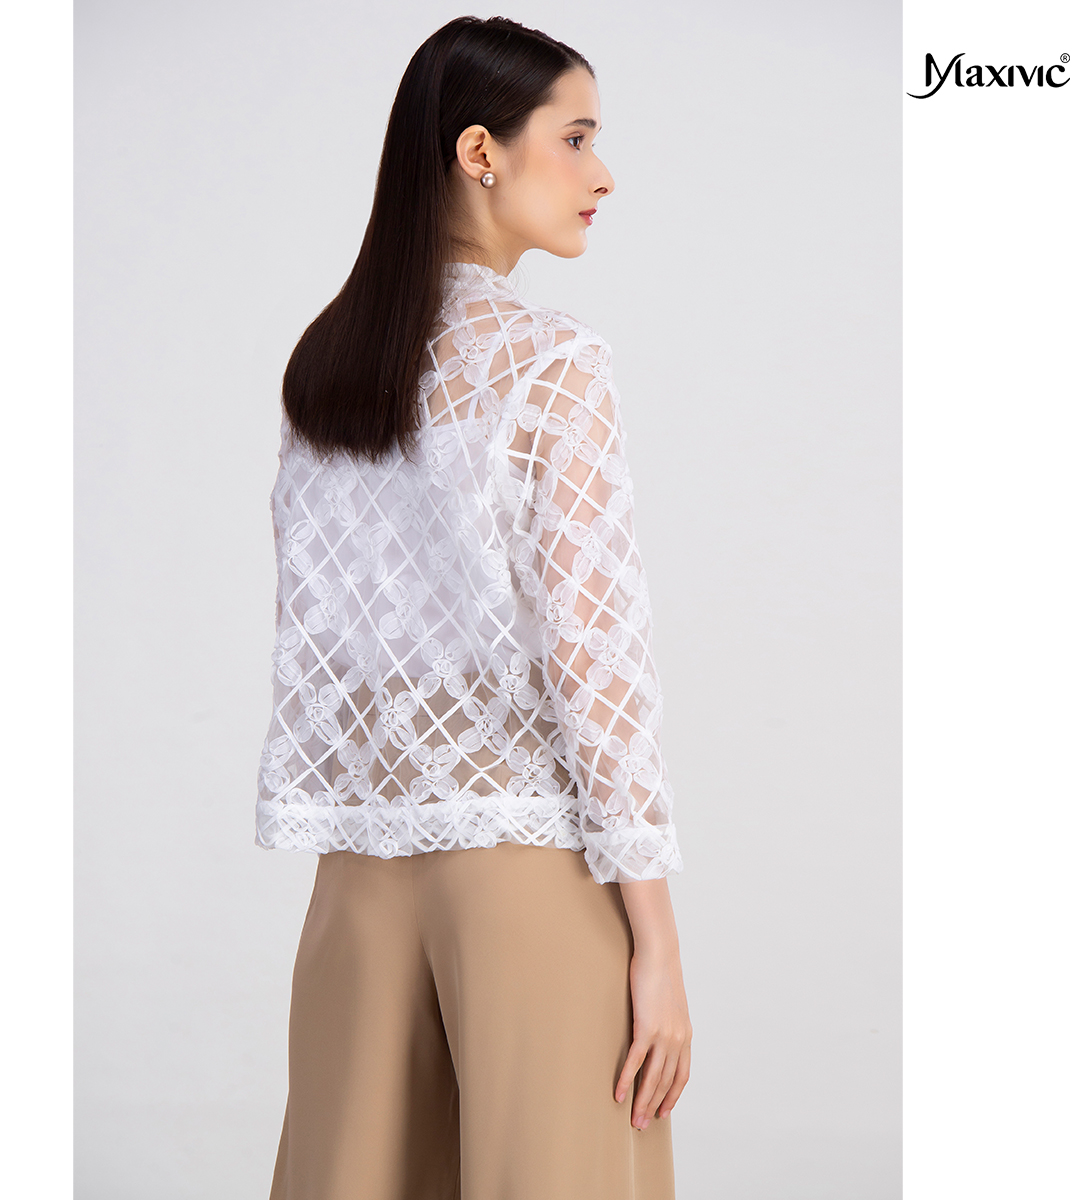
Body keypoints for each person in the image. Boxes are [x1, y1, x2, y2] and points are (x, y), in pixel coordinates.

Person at [255, 16, 692, 1199]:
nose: (604, 173)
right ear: (481, 152)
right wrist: (655, 942)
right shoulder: (553, 366)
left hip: (355, 888)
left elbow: (336, 644)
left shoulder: (328, 371)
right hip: (526, 875)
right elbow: (593, 660)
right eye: (577, 137)